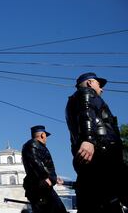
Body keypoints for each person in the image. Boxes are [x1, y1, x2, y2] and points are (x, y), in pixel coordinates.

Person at [66, 72, 127, 213]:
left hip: (95, 158)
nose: (102, 89)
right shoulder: (86, 93)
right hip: (104, 156)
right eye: (99, 85)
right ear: (90, 83)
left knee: (98, 199)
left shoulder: (73, 101)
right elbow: (87, 114)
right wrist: (88, 140)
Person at [22, 125, 67, 213]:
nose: (46, 138)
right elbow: (35, 162)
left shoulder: (35, 145)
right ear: (43, 135)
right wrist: (44, 177)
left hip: (43, 186)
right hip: (41, 187)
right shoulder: (33, 145)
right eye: (45, 136)